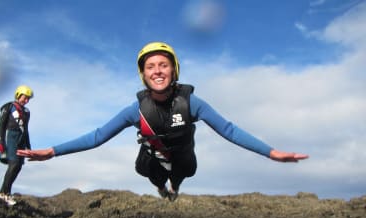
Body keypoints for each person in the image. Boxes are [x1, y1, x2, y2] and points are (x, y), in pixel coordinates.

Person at [17, 42, 308, 201]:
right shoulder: (136, 110)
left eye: (163, 65)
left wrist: (271, 153)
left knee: (183, 171)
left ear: (174, 70)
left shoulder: (192, 102)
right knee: (151, 172)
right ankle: (160, 188)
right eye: (150, 67)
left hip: (183, 156)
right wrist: (52, 151)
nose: (157, 71)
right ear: (143, 75)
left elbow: (228, 130)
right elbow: (96, 136)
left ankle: (175, 188)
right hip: (152, 157)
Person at [0, 85, 33, 205]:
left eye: (28, 99)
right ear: (18, 95)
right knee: (14, 164)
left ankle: (7, 192)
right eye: (25, 97)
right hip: (11, 137)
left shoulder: (27, 112)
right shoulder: (9, 107)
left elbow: (26, 130)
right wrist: (0, 141)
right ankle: (3, 193)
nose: (26, 100)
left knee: (18, 167)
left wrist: (29, 146)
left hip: (21, 140)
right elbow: (1, 125)